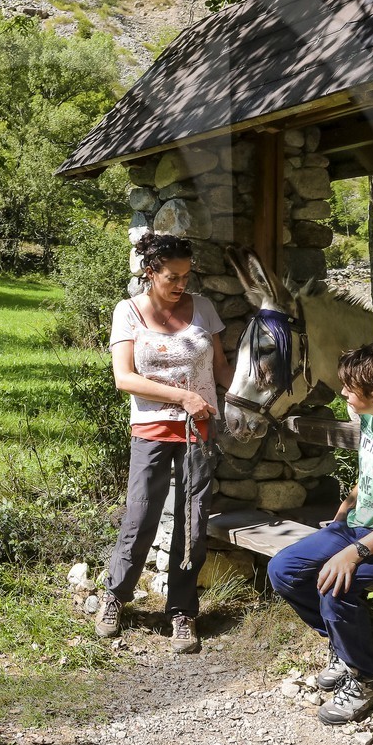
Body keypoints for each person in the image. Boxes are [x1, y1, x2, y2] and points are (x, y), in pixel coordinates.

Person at [267, 342, 373, 725]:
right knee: (283, 570)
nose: (343, 393)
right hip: (357, 526)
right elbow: (370, 475)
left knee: (334, 586)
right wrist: (346, 507)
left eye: (350, 389)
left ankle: (369, 679)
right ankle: (346, 648)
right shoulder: (372, 418)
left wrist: (352, 553)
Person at [96, 231, 232, 653]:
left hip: (199, 432)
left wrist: (254, 400)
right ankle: (115, 596)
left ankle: (182, 612)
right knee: (140, 516)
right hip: (153, 430)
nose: (181, 284)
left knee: (192, 524)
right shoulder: (128, 312)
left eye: (186, 276)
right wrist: (183, 396)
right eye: (172, 276)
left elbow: (222, 367)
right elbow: (124, 377)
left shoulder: (203, 308)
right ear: (150, 272)